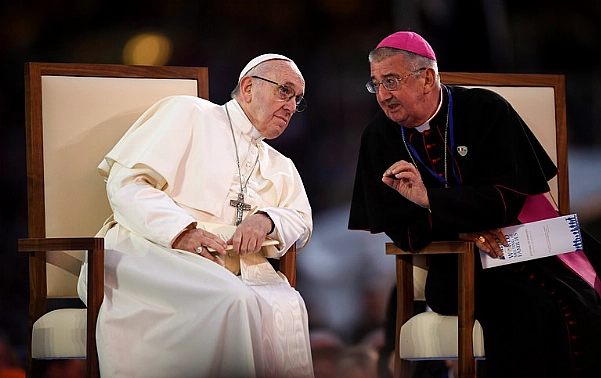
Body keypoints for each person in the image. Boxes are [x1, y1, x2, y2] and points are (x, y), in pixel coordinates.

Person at [348, 31, 601, 378]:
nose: (383, 95)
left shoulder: (485, 110)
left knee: (581, 301)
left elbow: (510, 196)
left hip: (524, 248)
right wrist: (464, 227)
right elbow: (399, 225)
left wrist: (433, 202)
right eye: (375, 84)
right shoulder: (378, 137)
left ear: (427, 77)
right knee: (529, 309)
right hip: (455, 267)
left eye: (391, 81)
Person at [77, 53, 314, 378]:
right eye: (284, 90)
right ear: (247, 88)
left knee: (286, 303)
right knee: (234, 301)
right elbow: (126, 183)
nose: (290, 106)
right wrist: (181, 231)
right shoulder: (189, 112)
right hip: (154, 250)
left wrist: (267, 220)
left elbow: (301, 220)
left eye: (297, 99)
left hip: (227, 266)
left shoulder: (280, 164)